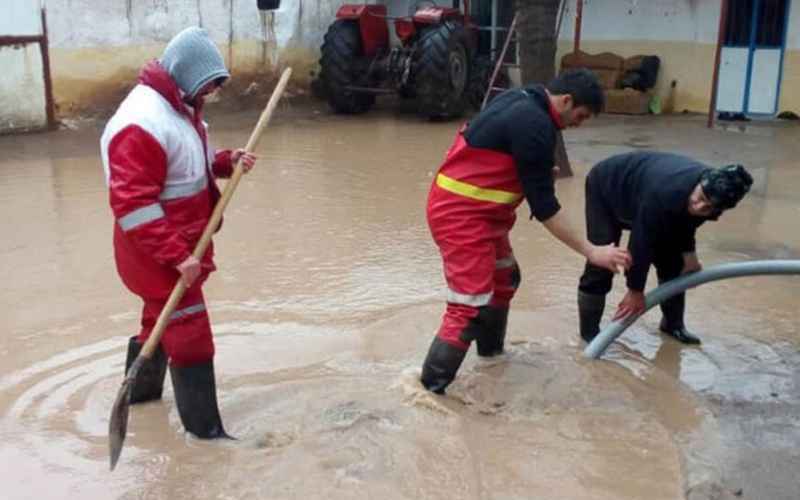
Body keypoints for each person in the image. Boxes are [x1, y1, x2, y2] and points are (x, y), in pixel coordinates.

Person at [420, 69, 632, 395]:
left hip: (482, 214)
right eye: (581, 115)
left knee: (504, 280)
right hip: (462, 217)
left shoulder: (526, 99)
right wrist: (592, 251)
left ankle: (491, 359)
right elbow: (546, 209)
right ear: (566, 100)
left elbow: (499, 150)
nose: (580, 123)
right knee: (469, 307)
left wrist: (532, 172)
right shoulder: (535, 125)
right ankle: (429, 392)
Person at [100, 27, 257, 438]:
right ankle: (206, 436)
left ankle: (143, 398)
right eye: (207, 87)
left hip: (177, 250)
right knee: (191, 337)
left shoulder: (181, 108)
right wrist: (177, 256)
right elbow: (133, 205)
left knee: (158, 322)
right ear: (185, 76)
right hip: (156, 257)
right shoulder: (141, 123)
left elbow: (188, 165)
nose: (210, 96)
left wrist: (227, 161)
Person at [577, 151, 753, 345]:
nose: (699, 207)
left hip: (646, 194)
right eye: (700, 197)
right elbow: (641, 242)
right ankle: (589, 333)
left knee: (673, 263)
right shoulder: (666, 191)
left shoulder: (711, 199)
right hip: (607, 186)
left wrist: (689, 256)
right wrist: (635, 290)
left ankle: (673, 325)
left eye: (709, 207)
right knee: (602, 262)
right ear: (700, 183)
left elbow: (687, 224)